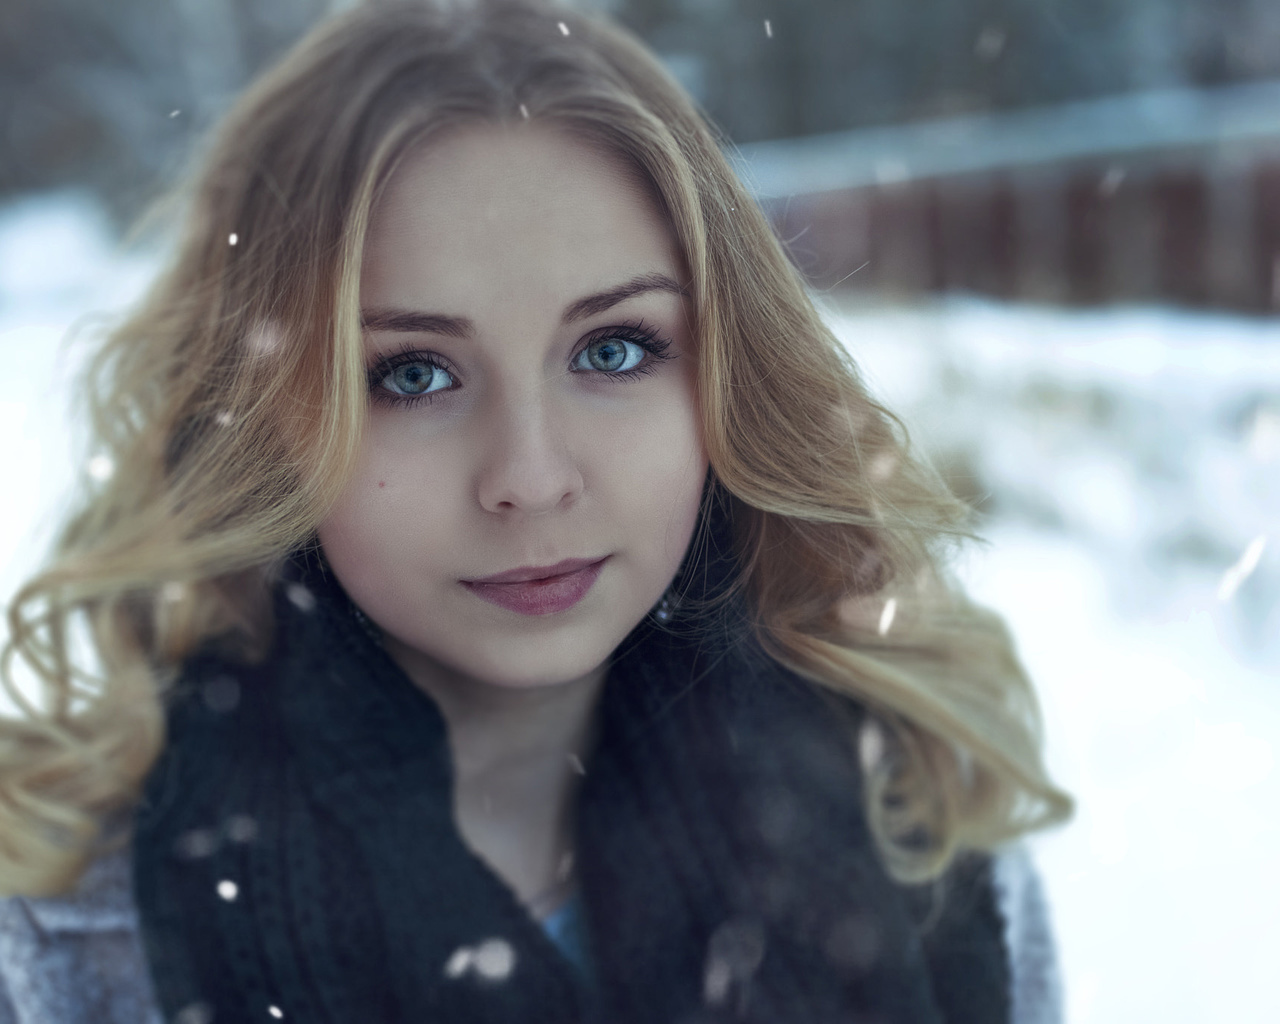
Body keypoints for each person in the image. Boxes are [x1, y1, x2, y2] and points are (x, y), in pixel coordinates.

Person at [0, 1, 1073, 1021]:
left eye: (611, 350)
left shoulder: (914, 836)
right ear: (262, 418)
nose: (530, 475)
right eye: (412, 373)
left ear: (722, 378)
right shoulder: (65, 938)